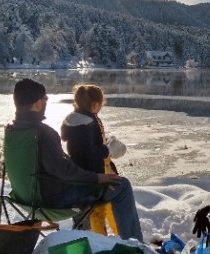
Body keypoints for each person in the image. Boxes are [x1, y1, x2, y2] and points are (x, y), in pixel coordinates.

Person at [9, 78, 143, 242]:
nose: (46, 102)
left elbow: (57, 166)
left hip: (25, 197)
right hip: (52, 199)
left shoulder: (13, 131)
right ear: (37, 103)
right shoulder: (42, 133)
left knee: (93, 182)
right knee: (122, 186)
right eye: (45, 99)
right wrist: (97, 177)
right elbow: (63, 170)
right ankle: (135, 245)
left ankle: (90, 236)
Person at [60, 84, 142, 241]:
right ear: (95, 104)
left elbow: (82, 149)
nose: (101, 108)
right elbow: (90, 153)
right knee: (117, 194)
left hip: (82, 177)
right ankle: (127, 239)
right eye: (101, 104)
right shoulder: (88, 122)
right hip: (94, 178)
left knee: (97, 210)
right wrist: (108, 150)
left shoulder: (74, 120)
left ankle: (101, 238)